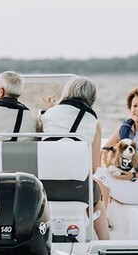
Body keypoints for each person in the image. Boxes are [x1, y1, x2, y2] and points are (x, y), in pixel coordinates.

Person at [39, 77, 110, 240]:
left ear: (67, 92)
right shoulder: (93, 122)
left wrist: (51, 109)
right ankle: (105, 243)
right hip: (77, 189)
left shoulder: (47, 115)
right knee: (96, 196)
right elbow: (93, 168)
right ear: (92, 97)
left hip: (44, 187)